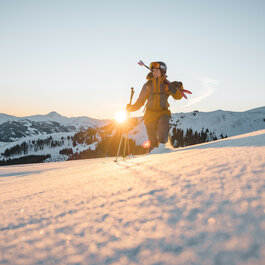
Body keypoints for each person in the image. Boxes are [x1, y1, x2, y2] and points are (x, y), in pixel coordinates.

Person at [126, 61, 184, 152]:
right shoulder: (147, 85)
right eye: (154, 71)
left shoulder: (167, 85)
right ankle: (153, 157)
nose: (155, 72)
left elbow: (178, 97)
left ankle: (163, 149)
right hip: (150, 114)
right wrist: (131, 108)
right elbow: (140, 101)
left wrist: (176, 88)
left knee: (162, 129)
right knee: (152, 142)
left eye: (157, 70)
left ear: (163, 72)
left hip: (163, 112)